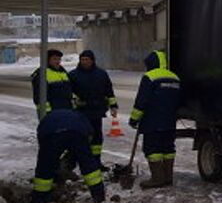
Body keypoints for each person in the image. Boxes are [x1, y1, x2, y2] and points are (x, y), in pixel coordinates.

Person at [28, 109, 106, 203]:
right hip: (76, 133)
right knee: (88, 165)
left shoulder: (48, 120)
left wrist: (52, 161)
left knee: (45, 165)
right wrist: (81, 154)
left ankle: (39, 199)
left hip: (52, 134)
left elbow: (44, 146)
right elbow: (88, 138)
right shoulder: (80, 117)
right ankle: (98, 195)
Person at [129, 50, 180, 189]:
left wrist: (134, 119)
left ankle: (157, 179)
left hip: (152, 121)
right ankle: (168, 178)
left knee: (153, 149)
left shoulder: (149, 77)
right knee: (168, 148)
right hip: (170, 121)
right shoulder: (175, 77)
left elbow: (141, 101)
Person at [69, 50, 118, 170]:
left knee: (97, 138)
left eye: (87, 59)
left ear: (92, 60)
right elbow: (68, 93)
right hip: (80, 112)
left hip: (97, 111)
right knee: (82, 138)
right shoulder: (73, 75)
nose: (85, 62)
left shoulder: (101, 74)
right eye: (82, 59)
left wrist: (113, 106)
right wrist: (75, 100)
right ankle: (82, 164)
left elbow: (109, 91)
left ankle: (96, 162)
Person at [31, 48, 72, 114]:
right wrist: (47, 112)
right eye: (55, 59)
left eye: (59, 59)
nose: (58, 61)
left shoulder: (63, 72)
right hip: (51, 112)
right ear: (47, 60)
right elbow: (39, 96)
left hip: (66, 111)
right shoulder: (41, 73)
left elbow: (68, 91)